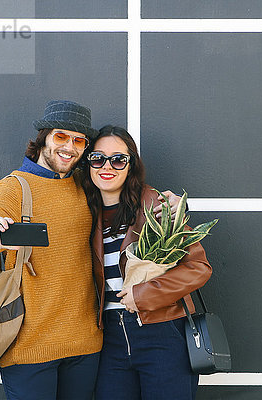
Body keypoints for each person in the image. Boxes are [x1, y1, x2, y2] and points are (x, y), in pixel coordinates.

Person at [0, 100, 182, 400]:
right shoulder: (15, 188)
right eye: (61, 137)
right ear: (43, 139)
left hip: (86, 348)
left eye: (79, 140)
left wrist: (166, 205)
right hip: (29, 348)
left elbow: (124, 194)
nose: (70, 147)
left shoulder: (86, 184)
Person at [81, 125, 212, 400]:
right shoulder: (81, 210)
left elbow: (198, 268)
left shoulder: (156, 204)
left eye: (118, 159)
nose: (107, 166)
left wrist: (143, 295)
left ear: (131, 165)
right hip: (108, 340)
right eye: (98, 158)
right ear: (88, 163)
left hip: (162, 332)